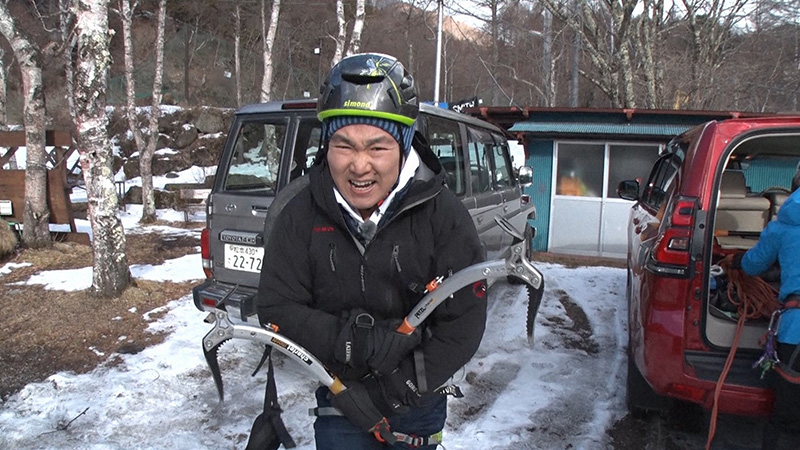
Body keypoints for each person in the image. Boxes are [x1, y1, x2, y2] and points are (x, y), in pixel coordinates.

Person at [256, 53, 487, 449]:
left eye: (377, 148)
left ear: (403, 144)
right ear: (327, 144)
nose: (359, 167)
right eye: (344, 146)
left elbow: (463, 321)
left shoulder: (442, 215)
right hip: (340, 395)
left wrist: (399, 387)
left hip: (419, 398)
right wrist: (349, 342)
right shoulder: (299, 214)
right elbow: (278, 306)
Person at [727, 165, 800, 450]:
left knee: (784, 415)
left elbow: (754, 264)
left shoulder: (785, 223)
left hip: (795, 332)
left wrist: (735, 263)